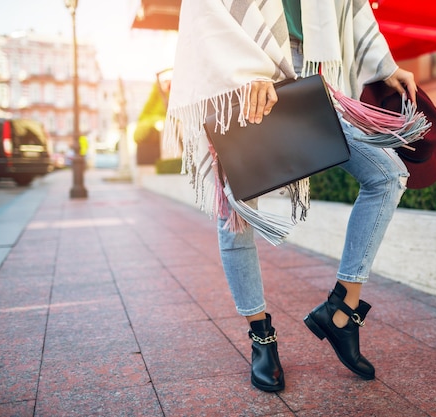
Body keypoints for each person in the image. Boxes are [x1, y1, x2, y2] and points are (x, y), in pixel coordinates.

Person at [165, 0, 417, 392]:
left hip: (309, 68)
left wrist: (385, 66)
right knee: (238, 212)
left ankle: (341, 310)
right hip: (243, 73)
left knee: (387, 173)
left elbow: (351, 7)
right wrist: (246, 69)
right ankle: (261, 338)